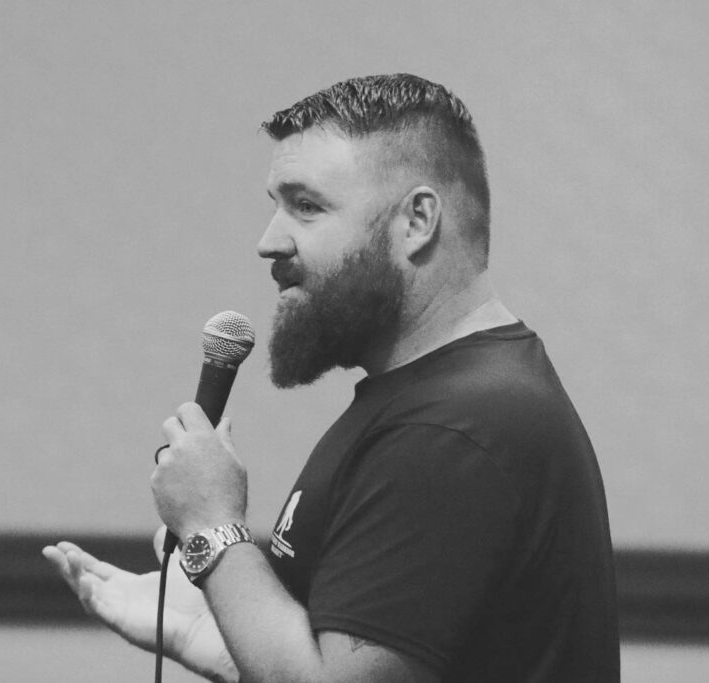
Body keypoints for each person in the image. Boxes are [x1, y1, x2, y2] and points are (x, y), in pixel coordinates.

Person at [45, 73, 619, 682]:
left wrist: (212, 531)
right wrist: (206, 632)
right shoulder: (446, 401)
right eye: (276, 205)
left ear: (417, 220)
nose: (269, 241)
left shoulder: (453, 431)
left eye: (307, 206)